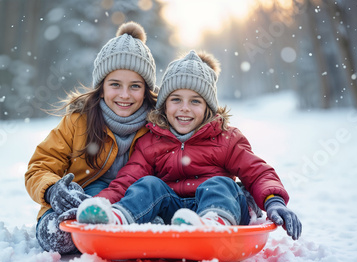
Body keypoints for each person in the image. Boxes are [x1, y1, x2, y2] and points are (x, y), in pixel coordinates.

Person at [76, 50, 302, 240]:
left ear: (208, 108)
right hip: (176, 214)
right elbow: (127, 180)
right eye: (176, 100)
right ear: (164, 106)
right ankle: (115, 218)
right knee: (148, 184)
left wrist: (273, 201)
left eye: (195, 101)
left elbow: (257, 172)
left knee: (219, 185)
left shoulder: (226, 138)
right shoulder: (150, 141)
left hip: (223, 208)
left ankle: (212, 224)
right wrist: (100, 203)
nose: (184, 108)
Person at [25, 21, 158, 254]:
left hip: (128, 205)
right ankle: (66, 227)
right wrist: (51, 190)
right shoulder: (79, 121)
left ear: (146, 90)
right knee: (61, 237)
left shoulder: (158, 127)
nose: (124, 95)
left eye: (135, 86)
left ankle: (127, 227)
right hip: (76, 199)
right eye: (115, 84)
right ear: (102, 86)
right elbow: (40, 166)